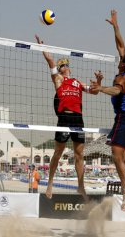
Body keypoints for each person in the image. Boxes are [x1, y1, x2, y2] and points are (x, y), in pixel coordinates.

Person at [90, 10, 125, 210]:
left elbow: (116, 90)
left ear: (124, 63)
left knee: (116, 154)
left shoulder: (122, 78)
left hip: (124, 118)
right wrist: (115, 26)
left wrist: (101, 87)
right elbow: (121, 45)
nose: (119, 58)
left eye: (121, 59)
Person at [35, 35, 104, 201]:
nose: (66, 66)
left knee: (79, 155)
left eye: (66, 64)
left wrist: (99, 82)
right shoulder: (58, 79)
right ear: (60, 69)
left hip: (78, 119)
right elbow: (50, 61)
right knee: (58, 152)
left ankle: (81, 186)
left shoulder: (77, 82)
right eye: (63, 65)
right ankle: (50, 183)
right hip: (64, 118)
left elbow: (94, 91)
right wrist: (42, 49)